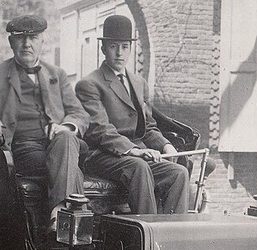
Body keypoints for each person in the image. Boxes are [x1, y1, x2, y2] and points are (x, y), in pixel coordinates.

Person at [0, 14, 89, 232]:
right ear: (11, 42)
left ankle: (60, 217)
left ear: (42, 40)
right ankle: (68, 222)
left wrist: (65, 126)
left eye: (33, 37)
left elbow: (79, 113)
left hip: (60, 144)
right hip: (24, 148)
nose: (27, 44)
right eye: (21, 38)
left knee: (67, 137)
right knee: (73, 170)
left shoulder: (57, 75)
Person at [75, 15, 189, 214]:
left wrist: (166, 145)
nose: (120, 53)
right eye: (113, 46)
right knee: (139, 167)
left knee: (178, 173)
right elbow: (100, 130)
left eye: (125, 46)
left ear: (130, 48)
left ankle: (173, 234)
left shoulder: (138, 83)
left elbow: (148, 126)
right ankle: (149, 235)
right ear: (103, 48)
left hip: (135, 155)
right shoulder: (89, 84)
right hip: (102, 155)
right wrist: (135, 150)